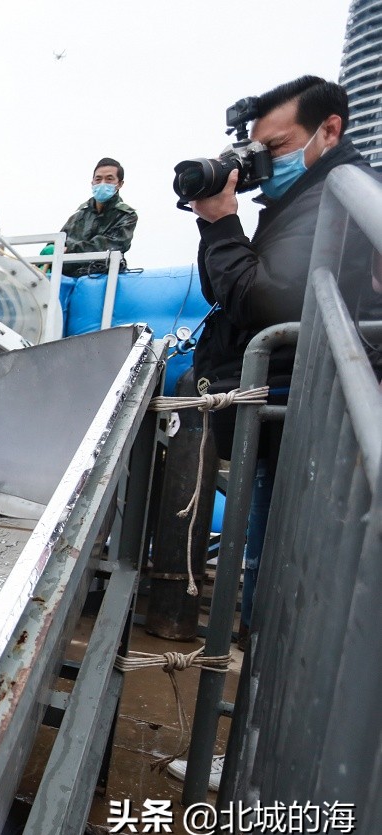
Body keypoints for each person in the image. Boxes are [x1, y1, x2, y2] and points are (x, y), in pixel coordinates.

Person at [177, 74, 382, 785]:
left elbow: (270, 302)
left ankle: (266, 772)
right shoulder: (301, 202)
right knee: (271, 596)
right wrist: (222, 226)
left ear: (330, 130)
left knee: (284, 597)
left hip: (310, 430)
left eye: (279, 146)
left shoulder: (340, 198)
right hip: (289, 425)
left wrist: (221, 224)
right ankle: (258, 758)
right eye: (256, 149)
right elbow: (238, 294)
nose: (264, 161)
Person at [56, 158, 139, 276]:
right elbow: (59, 240)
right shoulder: (78, 216)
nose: (102, 183)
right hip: (66, 277)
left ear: (119, 184)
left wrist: (69, 250)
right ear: (92, 182)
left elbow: (110, 245)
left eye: (109, 179)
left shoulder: (126, 216)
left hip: (101, 277)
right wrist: (51, 247)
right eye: (98, 179)